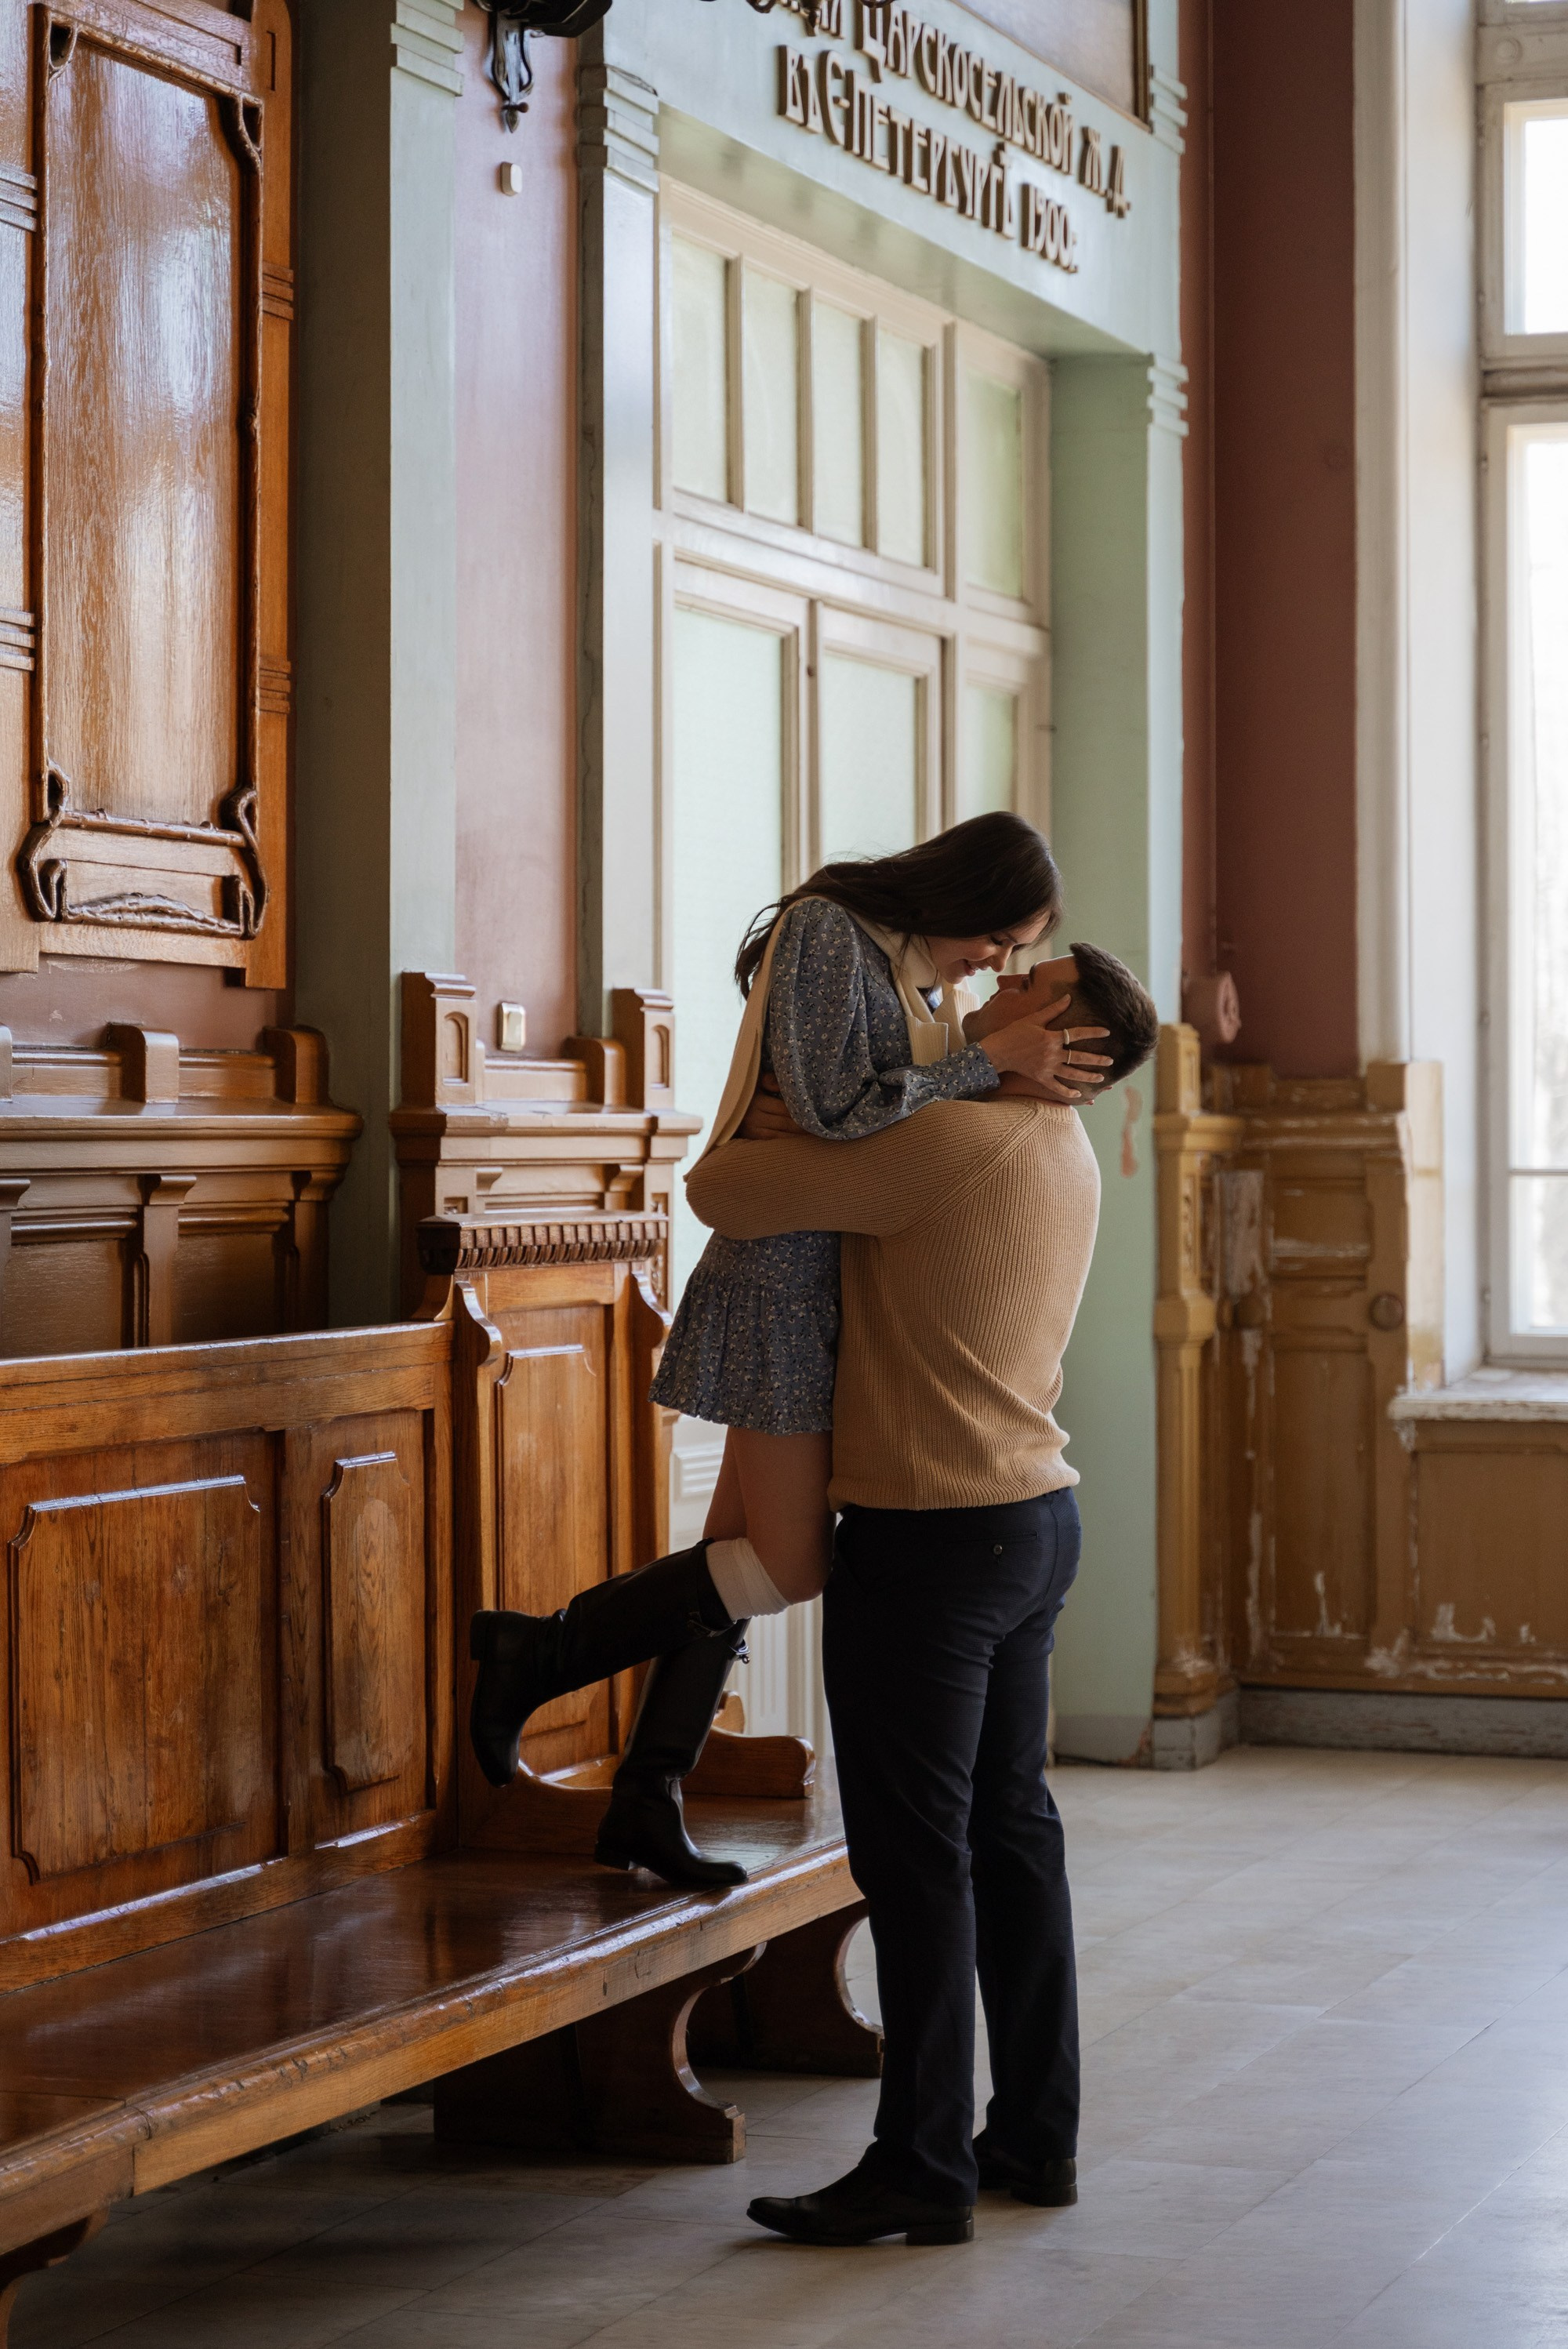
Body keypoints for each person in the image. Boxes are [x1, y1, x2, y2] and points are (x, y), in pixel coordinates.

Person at [468, 815, 1112, 1889]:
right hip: (780, 1280)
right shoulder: (829, 931)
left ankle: (646, 1793)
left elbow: (854, 1128)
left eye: (1014, 953)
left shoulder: (918, 981)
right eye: (1002, 937)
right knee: (787, 1562)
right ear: (961, 895)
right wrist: (986, 1060)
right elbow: (834, 1110)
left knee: (732, 1559)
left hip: (828, 1277)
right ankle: (536, 1654)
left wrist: (967, 1064)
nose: (995, 962)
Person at [686, 943, 1160, 2248]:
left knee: (919, 1860)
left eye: (1026, 981)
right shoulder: (1051, 1147)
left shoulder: (966, 1139)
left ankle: (920, 2166)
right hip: (1031, 1523)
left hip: (937, 1539)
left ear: (1056, 1023)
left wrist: (810, 1119)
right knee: (1010, 1840)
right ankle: (1033, 2139)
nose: (989, 988)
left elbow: (721, 1186)